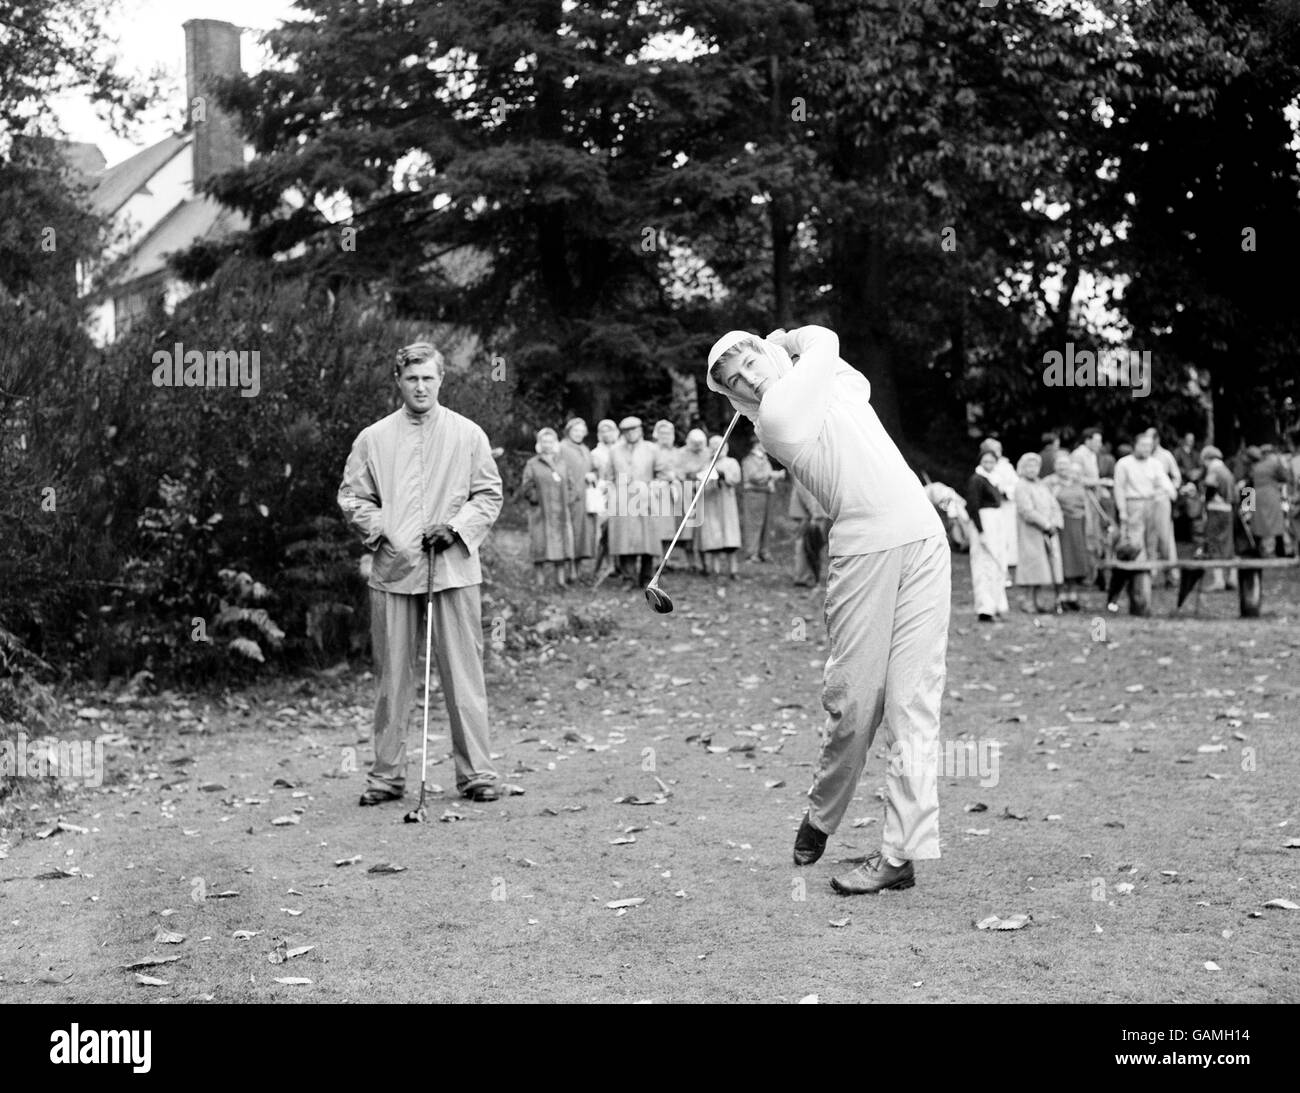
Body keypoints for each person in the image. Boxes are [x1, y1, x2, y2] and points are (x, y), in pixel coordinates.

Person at [707, 324, 949, 896]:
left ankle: (900, 854)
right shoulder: (776, 419)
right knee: (855, 702)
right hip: (863, 550)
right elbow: (827, 339)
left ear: (763, 355)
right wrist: (786, 342)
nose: (749, 378)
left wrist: (778, 344)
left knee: (915, 701)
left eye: (749, 362)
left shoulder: (829, 383)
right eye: (735, 380)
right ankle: (822, 812)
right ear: (734, 397)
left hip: (921, 535)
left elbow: (836, 363)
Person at [338, 341, 503, 806]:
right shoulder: (373, 438)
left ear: (441, 380)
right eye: (412, 378)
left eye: (428, 378)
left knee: (464, 677)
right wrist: (383, 530)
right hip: (393, 570)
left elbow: (489, 495)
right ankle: (387, 777)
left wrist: (456, 528)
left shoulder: (469, 434)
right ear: (398, 381)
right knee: (391, 679)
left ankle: (477, 775)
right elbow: (352, 498)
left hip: (452, 569)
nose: (420, 386)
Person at [604, 416, 669, 587]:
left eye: (634, 429)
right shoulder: (614, 451)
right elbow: (608, 476)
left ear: (640, 430)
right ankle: (628, 578)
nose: (630, 433)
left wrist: (654, 486)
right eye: (626, 431)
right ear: (622, 433)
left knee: (648, 541)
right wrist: (610, 492)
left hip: (646, 498)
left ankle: (647, 577)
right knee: (625, 541)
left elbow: (664, 474)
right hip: (623, 500)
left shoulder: (652, 449)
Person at [1113, 433, 1177, 601]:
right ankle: (1138, 578)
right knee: (1135, 541)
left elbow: (1164, 481)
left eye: (1149, 446)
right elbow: (1119, 488)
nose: (1146, 449)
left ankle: (1151, 575)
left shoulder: (1156, 463)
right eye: (1143, 445)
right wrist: (1122, 510)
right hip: (1133, 502)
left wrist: (1170, 491)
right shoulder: (1124, 463)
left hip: (1152, 502)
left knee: (1153, 540)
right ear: (1134, 445)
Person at [521, 427, 578, 588]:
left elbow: (572, 486)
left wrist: (568, 501)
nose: (547, 444)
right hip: (541, 512)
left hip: (561, 513)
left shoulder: (563, 463)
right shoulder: (532, 464)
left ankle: (560, 581)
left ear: (555, 443)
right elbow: (526, 486)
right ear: (539, 444)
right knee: (540, 544)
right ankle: (540, 582)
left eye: (550, 441)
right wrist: (536, 498)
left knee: (561, 545)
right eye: (544, 441)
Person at [1014, 452, 1064, 612]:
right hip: (1031, 532)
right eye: (1029, 466)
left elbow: (1054, 505)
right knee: (1032, 566)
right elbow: (1026, 510)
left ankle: (1038, 600)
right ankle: (1029, 601)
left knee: (1044, 567)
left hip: (1047, 532)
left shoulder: (1041, 484)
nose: (1032, 469)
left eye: (1035, 466)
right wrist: (1046, 524)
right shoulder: (1021, 485)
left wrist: (1056, 523)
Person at [966, 448, 1009, 621]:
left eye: (992, 461)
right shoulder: (977, 480)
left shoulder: (995, 480)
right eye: (986, 462)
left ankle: (997, 603)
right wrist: (980, 531)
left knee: (997, 563)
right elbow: (973, 506)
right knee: (984, 564)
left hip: (996, 523)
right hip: (984, 522)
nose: (989, 465)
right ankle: (985, 607)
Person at [1044, 454, 1090, 610]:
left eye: (1066, 465)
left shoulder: (1077, 481)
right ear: (1055, 467)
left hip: (1078, 524)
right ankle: (1060, 597)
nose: (1063, 468)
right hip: (1061, 525)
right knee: (1062, 560)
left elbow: (1086, 502)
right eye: (1060, 465)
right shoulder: (1050, 483)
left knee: (1076, 558)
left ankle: (1072, 595)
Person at [558, 418, 599, 582]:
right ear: (569, 431)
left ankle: (580, 569)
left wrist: (593, 476)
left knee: (585, 533)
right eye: (576, 431)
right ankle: (570, 570)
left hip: (585, 498)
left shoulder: (585, 449)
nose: (579, 434)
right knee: (571, 532)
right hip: (570, 496)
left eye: (582, 431)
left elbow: (594, 470)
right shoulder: (561, 448)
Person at [696, 433, 742, 577]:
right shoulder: (706, 464)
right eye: (713, 447)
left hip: (726, 502)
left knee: (729, 535)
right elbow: (699, 482)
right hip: (711, 502)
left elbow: (735, 479)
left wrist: (723, 475)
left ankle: (733, 568)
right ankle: (715, 568)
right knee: (713, 535)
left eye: (719, 446)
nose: (716, 449)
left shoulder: (731, 462)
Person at [1199, 445, 1237, 591]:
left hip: (1215, 509)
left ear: (1207, 458)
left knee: (1214, 542)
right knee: (1228, 543)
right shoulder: (1227, 470)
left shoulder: (1214, 470)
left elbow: (1210, 489)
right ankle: (1232, 577)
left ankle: (1219, 580)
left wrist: (1204, 500)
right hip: (1228, 509)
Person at [984, 437, 1020, 581]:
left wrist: (1008, 491)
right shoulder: (985, 466)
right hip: (995, 508)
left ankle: (1009, 569)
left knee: (1010, 538)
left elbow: (1015, 482)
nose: (997, 453)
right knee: (998, 539)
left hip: (1009, 506)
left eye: (999, 450)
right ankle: (1001, 571)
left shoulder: (1006, 465)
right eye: (994, 450)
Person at [741, 440, 783, 562]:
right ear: (757, 444)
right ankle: (751, 553)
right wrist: (771, 475)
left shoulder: (764, 459)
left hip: (766, 493)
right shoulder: (749, 460)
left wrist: (773, 476)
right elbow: (754, 477)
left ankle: (764, 551)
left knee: (766, 524)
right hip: (754, 494)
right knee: (754, 523)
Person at [676, 429, 712, 573]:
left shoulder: (708, 453)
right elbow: (679, 472)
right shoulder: (681, 453)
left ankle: (705, 563)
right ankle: (691, 563)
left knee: (702, 530)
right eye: (695, 444)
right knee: (688, 530)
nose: (697, 447)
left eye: (700, 444)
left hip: (703, 493)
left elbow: (710, 469)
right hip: (686, 493)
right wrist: (690, 475)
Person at [589, 419, 619, 578]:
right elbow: (591, 472)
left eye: (610, 430)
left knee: (618, 530)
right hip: (602, 496)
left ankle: (618, 565)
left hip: (621, 495)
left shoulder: (621, 449)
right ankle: (605, 565)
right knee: (603, 531)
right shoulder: (595, 453)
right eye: (604, 431)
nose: (607, 434)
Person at [650, 420, 683, 566]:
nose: (665, 436)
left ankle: (667, 560)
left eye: (668, 433)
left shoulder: (677, 452)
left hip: (673, 491)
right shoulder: (651, 449)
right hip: (656, 490)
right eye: (662, 433)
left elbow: (683, 469)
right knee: (657, 526)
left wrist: (675, 476)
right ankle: (655, 559)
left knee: (671, 527)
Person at [789, 478, 830, 587]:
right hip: (809, 513)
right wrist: (815, 513)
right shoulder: (807, 467)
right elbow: (807, 492)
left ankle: (805, 575)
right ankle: (804, 576)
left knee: (810, 544)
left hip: (808, 512)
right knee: (807, 545)